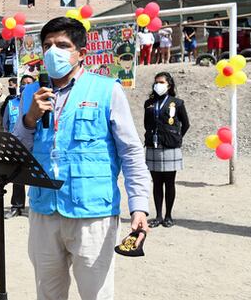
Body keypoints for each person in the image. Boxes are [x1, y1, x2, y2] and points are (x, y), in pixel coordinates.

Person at [14, 17, 150, 299]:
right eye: (47, 46)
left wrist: (139, 206)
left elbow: (131, 152)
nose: (53, 52)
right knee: (47, 293)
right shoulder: (30, 92)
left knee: (95, 295)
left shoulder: (107, 89)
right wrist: (29, 118)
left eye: (62, 45)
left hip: (92, 214)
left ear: (81, 53)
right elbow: (17, 151)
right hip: (43, 210)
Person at [144, 72, 190, 228]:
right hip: (153, 146)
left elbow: (186, 124)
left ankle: (168, 216)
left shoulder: (177, 103)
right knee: (156, 183)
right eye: (156, 82)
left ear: (169, 85)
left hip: (170, 147)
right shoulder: (149, 103)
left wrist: (175, 137)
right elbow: (146, 124)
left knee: (169, 182)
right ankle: (157, 216)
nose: (158, 85)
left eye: (162, 82)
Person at [2, 75, 34, 219]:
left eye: (30, 83)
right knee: (18, 177)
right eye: (23, 83)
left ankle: (34, 207)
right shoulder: (11, 103)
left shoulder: (40, 102)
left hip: (36, 146)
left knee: (37, 178)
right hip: (17, 146)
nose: (26, 86)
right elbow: (5, 124)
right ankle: (17, 206)